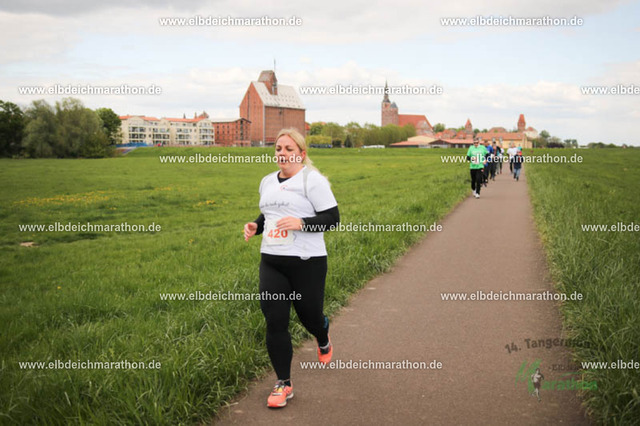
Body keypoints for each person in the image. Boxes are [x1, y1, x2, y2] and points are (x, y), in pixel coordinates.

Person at [244, 128, 339, 408]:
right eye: (278, 148)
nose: (282, 153)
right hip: (272, 261)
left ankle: (322, 333)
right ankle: (283, 383)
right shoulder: (267, 181)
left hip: (307, 263)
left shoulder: (312, 181)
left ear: (301, 154)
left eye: (288, 149)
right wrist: (256, 226)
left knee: (310, 317)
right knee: (275, 322)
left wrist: (302, 223)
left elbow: (333, 218)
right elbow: (270, 213)